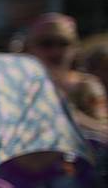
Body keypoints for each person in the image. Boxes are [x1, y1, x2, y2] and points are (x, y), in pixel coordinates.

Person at [25, 13, 108, 142]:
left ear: (74, 48)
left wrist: (69, 115)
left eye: (63, 43)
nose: (55, 51)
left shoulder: (85, 86)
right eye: (46, 44)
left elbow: (103, 131)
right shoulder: (23, 86)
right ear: (31, 48)